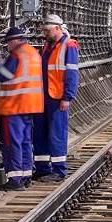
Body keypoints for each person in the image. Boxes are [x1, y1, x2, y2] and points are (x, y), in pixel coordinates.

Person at [0, 27, 43, 191]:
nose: (7, 46)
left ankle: (15, 180)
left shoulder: (17, 54)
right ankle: (26, 176)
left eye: (8, 43)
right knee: (25, 141)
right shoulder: (32, 53)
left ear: (14, 41)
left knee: (13, 143)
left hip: (14, 105)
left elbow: (4, 75)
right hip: (30, 105)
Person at [37, 14, 79, 182]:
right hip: (44, 96)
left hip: (58, 98)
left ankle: (59, 170)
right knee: (40, 133)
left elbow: (72, 73)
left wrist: (67, 97)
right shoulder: (48, 46)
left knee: (56, 134)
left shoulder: (69, 46)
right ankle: (42, 168)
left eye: (47, 30)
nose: (45, 33)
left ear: (57, 28)